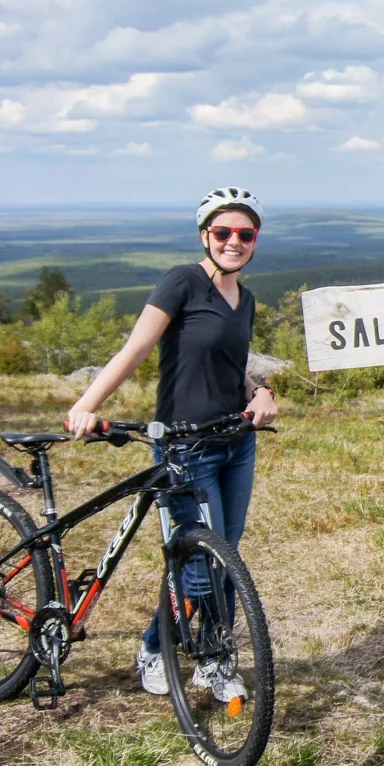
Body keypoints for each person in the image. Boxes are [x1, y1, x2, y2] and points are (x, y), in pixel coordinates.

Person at [65, 186, 277, 699]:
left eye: (244, 234)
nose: (233, 242)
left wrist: (262, 391)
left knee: (221, 554)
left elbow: (233, 368)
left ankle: (180, 650)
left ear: (255, 240)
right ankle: (191, 654)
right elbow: (136, 348)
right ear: (205, 235)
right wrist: (87, 404)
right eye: (223, 232)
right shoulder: (182, 282)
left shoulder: (244, 299)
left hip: (234, 441)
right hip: (185, 447)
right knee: (203, 562)